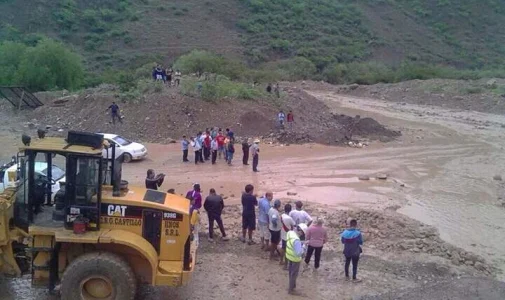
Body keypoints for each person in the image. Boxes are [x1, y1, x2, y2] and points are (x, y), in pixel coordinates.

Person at [286, 224, 307, 295]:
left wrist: (301, 243)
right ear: (300, 231)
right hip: (295, 259)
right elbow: (299, 253)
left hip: (289, 256)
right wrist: (304, 246)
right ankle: (291, 290)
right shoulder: (297, 240)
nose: (302, 235)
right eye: (303, 233)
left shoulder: (290, 233)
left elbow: (292, 242)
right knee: (294, 274)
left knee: (290, 273)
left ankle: (292, 286)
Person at [280, 203, 296, 269]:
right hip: (288, 236)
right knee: (287, 251)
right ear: (290, 210)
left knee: (283, 248)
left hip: (283, 235)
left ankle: (281, 261)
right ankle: (285, 265)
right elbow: (294, 225)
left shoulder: (281, 216)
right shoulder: (289, 218)